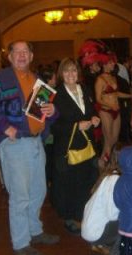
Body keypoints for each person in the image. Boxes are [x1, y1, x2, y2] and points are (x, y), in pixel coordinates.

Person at [0, 40, 60, 255]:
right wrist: (4, 128)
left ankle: (35, 230)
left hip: (35, 142)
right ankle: (21, 242)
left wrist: (52, 111)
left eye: (25, 52)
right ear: (9, 57)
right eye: (16, 52)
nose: (21, 55)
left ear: (31, 56)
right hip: (14, 144)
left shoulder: (38, 81)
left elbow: (45, 114)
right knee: (20, 195)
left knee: (38, 190)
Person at [51, 57, 100, 235]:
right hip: (67, 146)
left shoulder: (84, 89)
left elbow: (91, 110)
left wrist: (95, 118)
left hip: (86, 144)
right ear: (61, 74)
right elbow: (53, 126)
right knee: (69, 183)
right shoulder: (55, 95)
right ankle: (70, 217)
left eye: (73, 70)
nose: (71, 74)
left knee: (86, 179)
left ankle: (83, 213)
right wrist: (76, 126)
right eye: (66, 71)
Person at [81, 144, 121, 255]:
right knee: (131, 221)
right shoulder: (115, 180)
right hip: (95, 232)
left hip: (91, 230)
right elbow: (112, 213)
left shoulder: (109, 175)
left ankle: (101, 244)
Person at [95, 51, 132, 163]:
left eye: (113, 63)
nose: (113, 65)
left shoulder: (113, 78)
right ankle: (103, 164)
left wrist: (131, 95)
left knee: (114, 140)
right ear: (105, 64)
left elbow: (116, 94)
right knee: (108, 141)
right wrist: (110, 105)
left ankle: (107, 162)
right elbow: (98, 99)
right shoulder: (100, 79)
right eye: (111, 63)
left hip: (116, 110)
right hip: (105, 111)